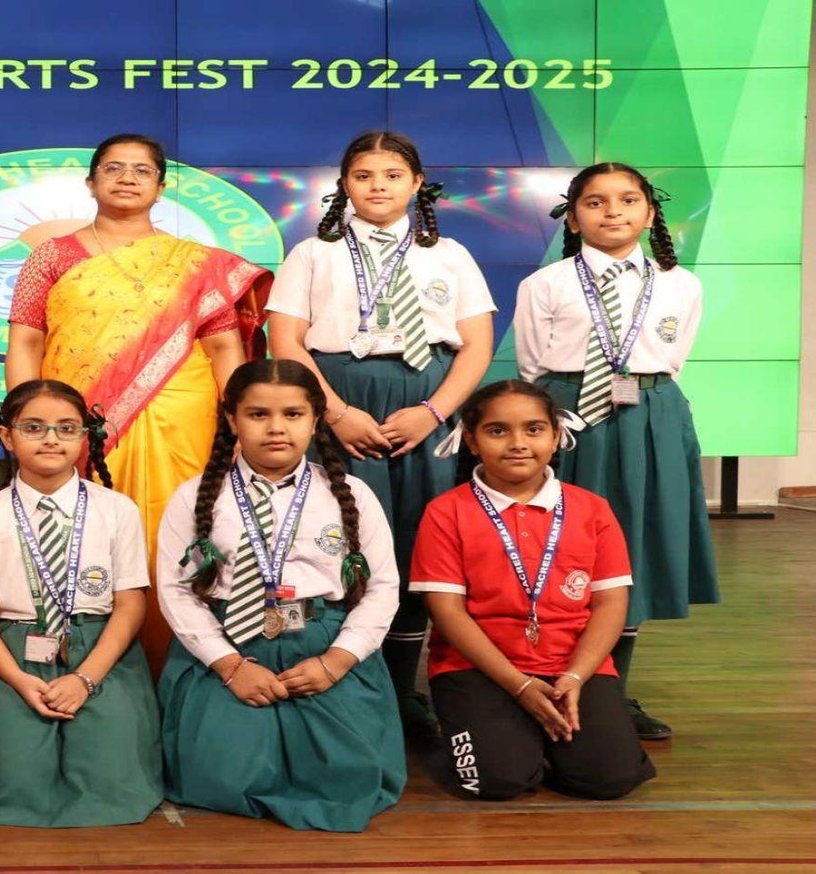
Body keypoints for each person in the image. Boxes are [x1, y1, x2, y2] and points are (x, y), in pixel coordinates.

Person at [5, 132, 273, 672]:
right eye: (113, 168)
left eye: (142, 170)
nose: (127, 178)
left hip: (183, 421)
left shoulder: (194, 263)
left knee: (181, 535)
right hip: (83, 425)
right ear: (90, 182)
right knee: (90, 541)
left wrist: (242, 422)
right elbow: (27, 342)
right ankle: (96, 667)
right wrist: (26, 420)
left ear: (161, 187)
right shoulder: (51, 256)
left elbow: (224, 348)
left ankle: (187, 667)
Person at [267, 130, 496, 735]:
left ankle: (401, 690)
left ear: (417, 184)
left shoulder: (450, 255)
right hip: (339, 398)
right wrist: (336, 412)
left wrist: (435, 412)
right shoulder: (312, 254)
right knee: (339, 537)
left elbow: (477, 346)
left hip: (425, 403)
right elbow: (285, 340)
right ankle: (339, 675)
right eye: (364, 175)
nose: (377, 187)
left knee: (419, 544)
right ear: (344, 184)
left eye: (393, 175)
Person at [513, 161, 717, 741]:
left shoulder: (681, 285)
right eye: (595, 202)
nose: (613, 212)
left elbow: (673, 359)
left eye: (628, 200)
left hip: (651, 415)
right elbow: (532, 366)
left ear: (650, 214)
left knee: (634, 551)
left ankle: (610, 692)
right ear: (573, 218)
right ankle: (545, 679)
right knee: (565, 550)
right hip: (572, 417)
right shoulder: (545, 284)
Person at [157, 359, 404, 833]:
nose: (276, 428)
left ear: (315, 420)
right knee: (224, 778)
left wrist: (336, 661)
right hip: (233, 647)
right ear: (232, 420)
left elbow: (382, 588)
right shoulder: (194, 496)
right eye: (258, 414)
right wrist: (230, 667)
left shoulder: (351, 493)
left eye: (292, 414)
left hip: (320, 644)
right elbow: (176, 592)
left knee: (346, 778)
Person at [0, 379, 162, 827]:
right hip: (10, 651)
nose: (51, 438)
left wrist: (85, 679)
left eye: (66, 428)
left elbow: (130, 606)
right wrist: (17, 680)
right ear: (7, 436)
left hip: (99, 649)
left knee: (107, 769)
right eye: (34, 427)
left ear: (84, 437)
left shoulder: (117, 509)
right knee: (10, 770)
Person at [411, 379, 656, 799]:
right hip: (479, 667)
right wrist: (520, 686)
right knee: (496, 781)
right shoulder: (445, 512)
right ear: (471, 440)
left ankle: (542, 740)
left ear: (556, 436)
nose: (518, 443)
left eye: (534, 429)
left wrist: (575, 677)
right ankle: (511, 738)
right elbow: (447, 612)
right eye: (497, 430)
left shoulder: (593, 509)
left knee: (609, 778)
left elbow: (611, 603)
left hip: (572, 666)